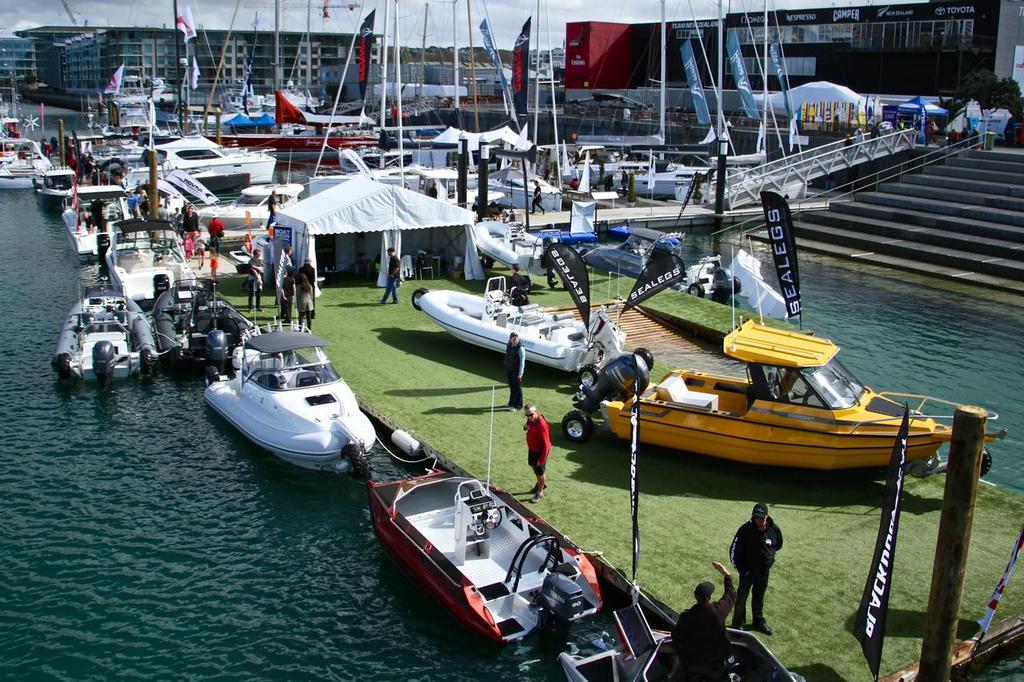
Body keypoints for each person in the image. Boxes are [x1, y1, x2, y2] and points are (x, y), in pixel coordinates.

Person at [671, 561, 736, 682]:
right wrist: (726, 574)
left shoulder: (686, 617)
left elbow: (676, 636)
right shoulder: (719, 612)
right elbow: (731, 594)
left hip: (691, 664)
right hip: (714, 664)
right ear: (710, 597)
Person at [730, 502, 783, 635]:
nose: (758, 520)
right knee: (741, 598)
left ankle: (758, 621)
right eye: (756, 517)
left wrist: (770, 560)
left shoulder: (774, 529)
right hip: (747, 573)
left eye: (761, 517)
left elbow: (778, 544)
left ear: (767, 516)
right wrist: (743, 570)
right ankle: (738, 624)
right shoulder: (745, 530)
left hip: (763, 573)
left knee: (759, 597)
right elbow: (733, 551)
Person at [523, 404, 550, 503]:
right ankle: (542, 482)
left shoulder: (542, 425)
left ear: (536, 411)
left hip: (539, 452)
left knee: (539, 472)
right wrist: (525, 427)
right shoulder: (531, 419)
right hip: (532, 449)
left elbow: (547, 445)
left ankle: (540, 492)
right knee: (533, 466)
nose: (529, 417)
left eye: (530, 414)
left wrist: (541, 460)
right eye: (527, 415)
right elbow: (527, 427)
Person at [505, 332, 525, 412]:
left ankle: (518, 406)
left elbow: (522, 361)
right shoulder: (509, 344)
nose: (515, 341)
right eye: (513, 339)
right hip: (510, 369)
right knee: (512, 387)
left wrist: (520, 373)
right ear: (510, 339)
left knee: (517, 388)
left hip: (517, 371)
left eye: (516, 339)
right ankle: (511, 403)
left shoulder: (520, 348)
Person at [247, 248, 264, 312]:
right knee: (251, 293)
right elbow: (253, 271)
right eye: (258, 254)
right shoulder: (250, 261)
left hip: (259, 276)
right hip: (252, 277)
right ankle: (250, 307)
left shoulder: (260, 260)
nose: (259, 255)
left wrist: (255, 267)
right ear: (255, 254)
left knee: (258, 293)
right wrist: (259, 279)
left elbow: (261, 269)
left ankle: (258, 306)